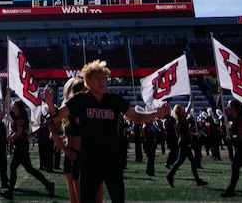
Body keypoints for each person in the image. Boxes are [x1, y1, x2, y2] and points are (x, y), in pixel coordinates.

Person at [48, 59, 169, 203]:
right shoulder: (80, 100)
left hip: (111, 159)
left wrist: (157, 113)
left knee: (118, 199)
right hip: (89, 161)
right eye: (97, 78)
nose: (102, 82)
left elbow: (136, 117)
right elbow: (57, 116)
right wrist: (50, 103)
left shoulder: (114, 100)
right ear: (88, 81)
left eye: (104, 78)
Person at [3, 99, 55, 200]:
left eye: (14, 105)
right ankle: (48, 185)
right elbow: (7, 107)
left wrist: (10, 137)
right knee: (29, 169)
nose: (12, 106)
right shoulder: (17, 116)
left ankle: (10, 192)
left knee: (13, 167)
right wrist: (7, 94)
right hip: (22, 145)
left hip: (21, 145)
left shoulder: (20, 118)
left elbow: (19, 132)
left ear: (18, 107)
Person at [166, 104, 207, 188]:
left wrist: (195, 134)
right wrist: (190, 101)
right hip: (184, 142)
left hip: (184, 141)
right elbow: (188, 110)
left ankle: (171, 175)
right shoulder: (180, 120)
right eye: (181, 109)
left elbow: (187, 131)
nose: (183, 109)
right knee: (185, 161)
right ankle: (170, 175)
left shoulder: (182, 119)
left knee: (181, 161)